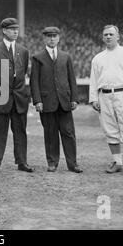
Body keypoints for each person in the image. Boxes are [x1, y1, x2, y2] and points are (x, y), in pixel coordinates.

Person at [89, 25, 123, 177]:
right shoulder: (98, 58)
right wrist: (93, 98)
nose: (108, 37)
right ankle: (117, 162)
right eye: (105, 34)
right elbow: (94, 80)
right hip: (104, 95)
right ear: (102, 37)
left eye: (111, 34)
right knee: (110, 130)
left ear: (118, 36)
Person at [30, 27, 82, 173]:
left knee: (69, 133)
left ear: (59, 38)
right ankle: (52, 162)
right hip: (47, 102)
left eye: (54, 36)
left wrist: (74, 98)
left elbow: (72, 79)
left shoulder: (66, 57)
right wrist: (37, 101)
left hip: (64, 102)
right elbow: (34, 81)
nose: (52, 39)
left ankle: (73, 164)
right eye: (49, 36)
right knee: (50, 133)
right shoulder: (37, 57)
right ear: (44, 39)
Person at [0, 18, 34, 173]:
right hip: (1, 97)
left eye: (17, 29)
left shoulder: (24, 51)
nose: (15, 32)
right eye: (12, 29)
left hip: (19, 97)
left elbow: (23, 73)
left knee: (20, 131)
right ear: (4, 30)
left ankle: (22, 161)